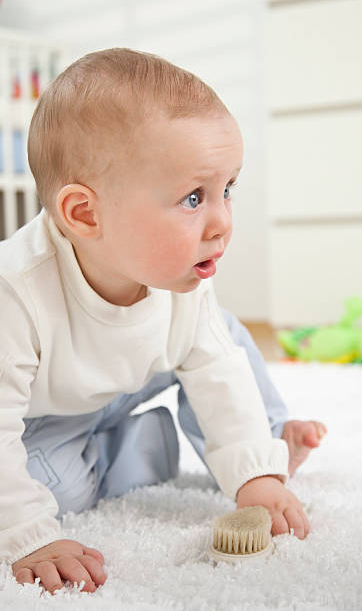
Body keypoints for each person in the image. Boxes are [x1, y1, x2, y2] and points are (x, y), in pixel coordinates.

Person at [1, 48, 327, 595]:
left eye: (227, 189)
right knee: (58, 492)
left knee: (225, 339)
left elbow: (216, 368)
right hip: (42, 410)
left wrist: (254, 475)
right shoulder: (16, 293)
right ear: (85, 214)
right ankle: (137, 445)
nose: (222, 221)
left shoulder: (180, 276)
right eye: (193, 197)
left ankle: (268, 439)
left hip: (122, 376)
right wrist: (28, 535)